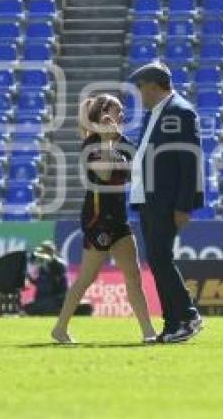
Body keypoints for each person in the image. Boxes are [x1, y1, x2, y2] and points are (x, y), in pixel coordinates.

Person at [51, 95, 156, 343]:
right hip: (97, 218)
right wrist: (108, 142)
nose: (121, 115)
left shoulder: (125, 143)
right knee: (87, 278)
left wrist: (115, 143)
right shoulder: (91, 144)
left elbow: (134, 174)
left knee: (133, 275)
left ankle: (148, 332)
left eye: (120, 111)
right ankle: (60, 328)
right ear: (101, 116)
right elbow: (107, 173)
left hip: (119, 217)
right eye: (116, 111)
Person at [128, 62, 205, 343]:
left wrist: (185, 205)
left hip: (166, 200)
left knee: (160, 258)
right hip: (148, 198)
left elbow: (191, 161)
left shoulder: (181, 112)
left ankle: (187, 316)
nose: (139, 93)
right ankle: (173, 323)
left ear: (152, 85)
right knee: (157, 259)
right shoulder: (154, 114)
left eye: (140, 87)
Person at [25, 241, 71, 316]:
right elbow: (38, 282)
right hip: (42, 300)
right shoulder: (41, 267)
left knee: (49, 305)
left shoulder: (58, 265)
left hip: (57, 299)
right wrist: (31, 279)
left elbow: (53, 284)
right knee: (28, 307)